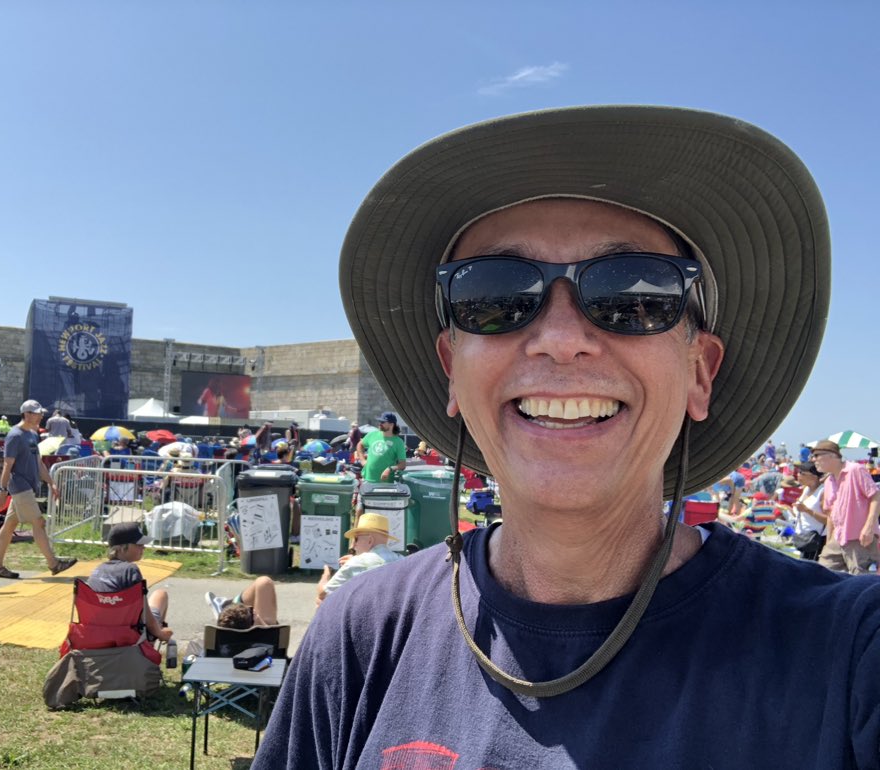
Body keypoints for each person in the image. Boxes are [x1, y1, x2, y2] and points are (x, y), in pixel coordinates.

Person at [255, 106, 880, 768]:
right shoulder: (362, 635)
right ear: (451, 371)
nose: (559, 339)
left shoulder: (847, 652)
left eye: (636, 297)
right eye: (494, 296)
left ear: (700, 373)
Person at [0, 399, 77, 579]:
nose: (41, 416)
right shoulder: (15, 435)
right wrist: (2, 490)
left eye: (41, 413)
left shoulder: (31, 434)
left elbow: (38, 463)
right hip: (20, 486)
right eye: (37, 413)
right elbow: (7, 465)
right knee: (38, 522)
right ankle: (54, 563)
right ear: (27, 414)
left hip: (27, 486)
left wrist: (51, 482)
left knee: (9, 525)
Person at [87, 522, 172, 643]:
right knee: (161, 594)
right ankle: (148, 646)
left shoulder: (97, 570)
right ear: (123, 548)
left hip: (98, 633)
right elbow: (144, 614)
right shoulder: (130, 570)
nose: (143, 547)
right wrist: (160, 634)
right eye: (139, 544)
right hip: (128, 635)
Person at [813, 439, 880, 575]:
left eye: (816, 455)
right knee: (822, 574)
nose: (813, 460)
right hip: (838, 538)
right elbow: (831, 515)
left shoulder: (855, 469)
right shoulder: (829, 481)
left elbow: (876, 497)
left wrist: (868, 527)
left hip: (859, 538)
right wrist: (828, 542)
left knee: (862, 580)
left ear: (831, 455)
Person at [315, 513, 401, 607]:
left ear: (370, 540)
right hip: (393, 612)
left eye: (356, 539)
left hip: (365, 613)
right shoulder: (402, 560)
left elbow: (323, 593)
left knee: (320, 602)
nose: (353, 545)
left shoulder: (355, 563)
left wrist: (326, 574)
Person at [204, 576, 279, 628]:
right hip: (267, 636)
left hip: (264, 636)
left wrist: (259, 623)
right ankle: (231, 606)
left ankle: (229, 606)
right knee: (264, 583)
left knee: (264, 582)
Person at [791, 461, 827, 561]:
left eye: (801, 473)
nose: (798, 475)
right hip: (803, 537)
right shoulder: (806, 489)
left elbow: (828, 520)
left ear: (814, 477)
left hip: (815, 539)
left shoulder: (822, 492)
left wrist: (807, 510)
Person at [355, 412, 407, 482]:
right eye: (379, 421)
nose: (380, 424)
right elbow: (360, 445)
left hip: (386, 482)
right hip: (367, 479)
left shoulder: (398, 442)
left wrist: (389, 469)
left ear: (391, 424)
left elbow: (402, 465)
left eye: (383, 422)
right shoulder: (372, 435)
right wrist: (362, 460)